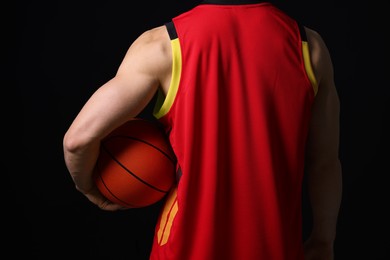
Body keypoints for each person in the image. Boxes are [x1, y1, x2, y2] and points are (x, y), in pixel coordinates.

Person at [63, 0, 342, 259]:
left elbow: (78, 141)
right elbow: (324, 162)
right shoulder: (309, 48)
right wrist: (323, 240)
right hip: (275, 246)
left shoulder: (162, 45)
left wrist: (89, 188)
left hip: (182, 249)